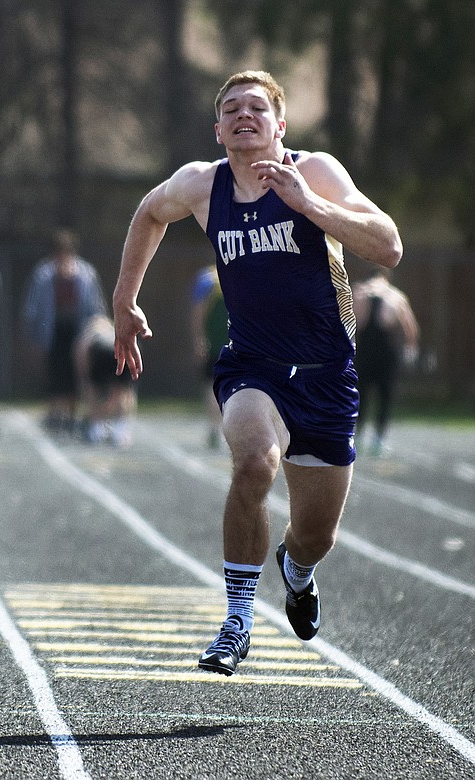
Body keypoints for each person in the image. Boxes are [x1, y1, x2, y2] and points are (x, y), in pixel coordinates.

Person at [112, 70, 402, 676]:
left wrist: (310, 205)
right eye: (232, 109)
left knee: (314, 535)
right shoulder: (202, 184)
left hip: (328, 375)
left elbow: (389, 245)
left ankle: (296, 571)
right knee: (253, 462)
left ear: (280, 126)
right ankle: (237, 621)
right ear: (218, 128)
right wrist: (124, 302)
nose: (245, 116)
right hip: (253, 367)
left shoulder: (315, 171)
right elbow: (148, 213)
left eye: (258, 109)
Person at [22, 229, 106, 434]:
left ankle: (71, 414)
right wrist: (32, 333)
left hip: (77, 332)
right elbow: (32, 306)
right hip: (53, 330)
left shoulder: (86, 274)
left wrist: (96, 331)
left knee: (74, 373)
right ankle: (55, 413)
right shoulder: (43, 274)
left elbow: (96, 305)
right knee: (55, 372)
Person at [351, 267, 419, 456]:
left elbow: (349, 321)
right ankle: (378, 437)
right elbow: (411, 327)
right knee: (384, 395)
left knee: (361, 392)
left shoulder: (360, 292)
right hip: (386, 352)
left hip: (365, 350)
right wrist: (410, 350)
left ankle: (360, 433)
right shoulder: (395, 296)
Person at [74, 314, 136, 446]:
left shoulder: (89, 335)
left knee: (94, 391)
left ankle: (97, 428)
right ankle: (121, 430)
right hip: (121, 350)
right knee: (123, 392)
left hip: (101, 351)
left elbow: (82, 355)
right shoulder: (115, 330)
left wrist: (85, 381)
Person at [190, 264, 228, 449]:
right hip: (238, 343)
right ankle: (225, 429)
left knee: (212, 387)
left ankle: (215, 429)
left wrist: (199, 338)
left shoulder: (207, 279)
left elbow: (198, 312)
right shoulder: (241, 270)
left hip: (214, 344)